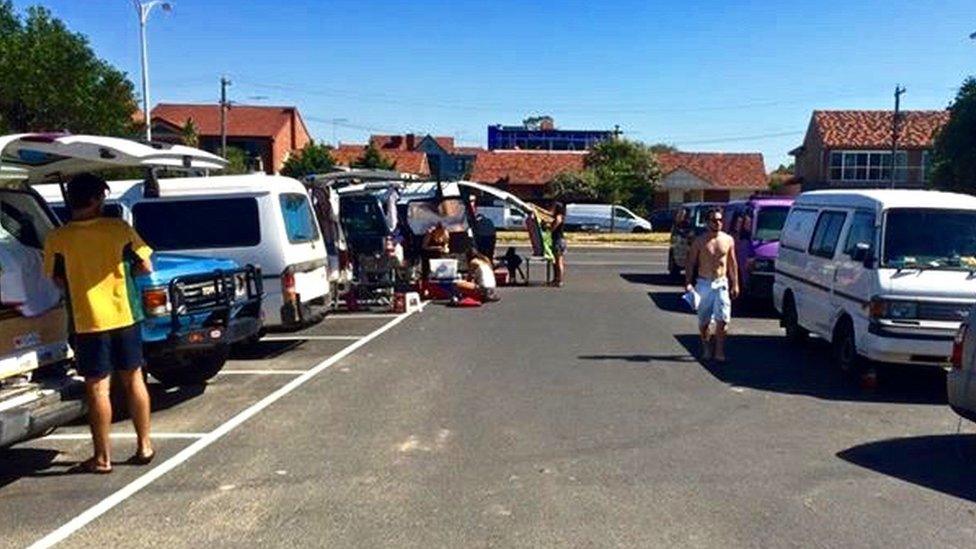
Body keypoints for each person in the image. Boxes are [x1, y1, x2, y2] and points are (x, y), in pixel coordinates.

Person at [43, 173, 155, 474]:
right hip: (125, 315)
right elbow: (145, 266)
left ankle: (102, 457)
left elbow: (55, 279)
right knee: (134, 380)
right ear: (95, 199)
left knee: (98, 388)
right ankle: (144, 445)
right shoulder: (118, 229)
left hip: (87, 320)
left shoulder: (58, 237)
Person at [685, 208, 739, 364]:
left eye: (720, 220)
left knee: (723, 319)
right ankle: (706, 346)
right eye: (715, 220)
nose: (718, 223)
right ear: (707, 222)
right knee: (704, 321)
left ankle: (719, 351)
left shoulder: (728, 240)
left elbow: (732, 263)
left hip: (721, 282)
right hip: (704, 283)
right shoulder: (700, 241)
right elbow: (691, 262)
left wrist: (735, 283)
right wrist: (688, 282)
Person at [550, 202, 567, 287]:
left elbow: (558, 220)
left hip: (558, 240)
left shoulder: (559, 215)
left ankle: (559, 280)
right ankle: (556, 278)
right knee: (555, 261)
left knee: (559, 261)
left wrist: (551, 229)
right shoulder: (557, 216)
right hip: (558, 239)